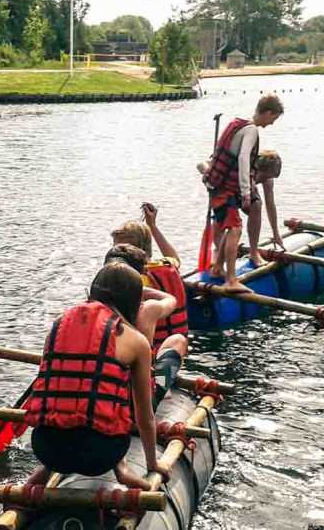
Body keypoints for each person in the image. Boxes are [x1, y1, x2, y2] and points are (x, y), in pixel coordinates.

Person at [24, 262, 169, 490]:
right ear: (132, 302)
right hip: (101, 455)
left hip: (46, 449)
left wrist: (48, 460)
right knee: (109, 403)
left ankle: (44, 472)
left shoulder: (58, 325)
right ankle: (121, 469)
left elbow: (52, 392)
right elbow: (144, 415)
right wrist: (153, 464)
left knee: (71, 397)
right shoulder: (136, 341)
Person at [200, 94, 284, 287]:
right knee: (235, 230)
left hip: (218, 185)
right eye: (274, 118)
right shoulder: (251, 130)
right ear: (268, 112)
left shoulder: (237, 123)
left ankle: (218, 267)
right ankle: (231, 279)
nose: (271, 123)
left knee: (230, 226)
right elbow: (244, 158)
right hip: (228, 188)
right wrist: (245, 192)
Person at [110, 205, 188, 385]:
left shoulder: (137, 281)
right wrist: (153, 226)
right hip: (173, 345)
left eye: (121, 247)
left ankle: (153, 385)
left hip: (148, 355)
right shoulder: (166, 265)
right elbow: (175, 258)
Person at [102, 243, 181, 407]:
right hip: (137, 398)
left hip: (102, 389)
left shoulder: (88, 311)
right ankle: (162, 388)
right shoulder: (147, 310)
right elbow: (171, 301)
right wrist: (142, 290)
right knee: (178, 341)